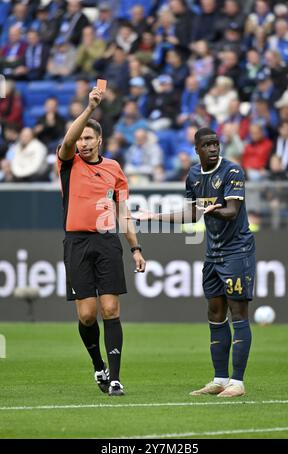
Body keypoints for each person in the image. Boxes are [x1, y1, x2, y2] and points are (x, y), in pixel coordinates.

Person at [131, 127, 255, 398]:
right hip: (213, 254)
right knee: (214, 312)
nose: (213, 148)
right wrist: (154, 216)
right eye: (207, 145)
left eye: (216, 144)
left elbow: (232, 211)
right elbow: (190, 215)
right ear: (196, 149)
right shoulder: (195, 176)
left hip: (237, 251)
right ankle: (220, 379)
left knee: (238, 312)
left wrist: (215, 210)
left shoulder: (232, 171)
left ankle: (238, 382)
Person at [56, 86, 145, 396]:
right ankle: (98, 367)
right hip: (77, 244)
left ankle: (116, 378)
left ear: (99, 141)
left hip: (107, 243)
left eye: (88, 138)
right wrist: (90, 108)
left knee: (110, 309)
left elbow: (123, 211)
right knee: (86, 314)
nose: (82, 143)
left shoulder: (113, 169)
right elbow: (66, 141)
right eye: (81, 138)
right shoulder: (69, 162)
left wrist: (135, 247)